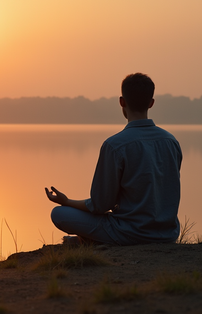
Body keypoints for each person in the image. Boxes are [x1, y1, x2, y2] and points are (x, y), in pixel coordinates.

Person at [45, 73, 182, 245]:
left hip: (129, 233)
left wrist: (67, 202)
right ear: (151, 103)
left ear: (122, 102)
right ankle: (89, 240)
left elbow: (100, 205)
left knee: (59, 214)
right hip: (168, 234)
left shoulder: (115, 145)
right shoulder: (171, 142)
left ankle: (89, 241)